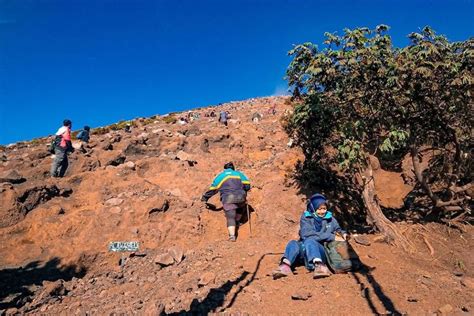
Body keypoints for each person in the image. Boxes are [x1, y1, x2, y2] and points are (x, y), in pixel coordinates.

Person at [272, 194, 348, 279]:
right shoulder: (306, 217)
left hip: (321, 251)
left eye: (324, 209)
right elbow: (306, 234)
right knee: (293, 243)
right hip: (305, 249)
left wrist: (343, 234)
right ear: (313, 208)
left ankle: (320, 266)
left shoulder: (330, 218)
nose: (322, 211)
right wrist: (331, 236)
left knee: (310, 241)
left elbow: (338, 229)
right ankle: (285, 266)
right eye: (319, 209)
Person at [201, 162, 251, 242]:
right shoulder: (239, 174)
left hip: (228, 198)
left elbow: (213, 190)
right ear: (233, 168)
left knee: (230, 217)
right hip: (241, 197)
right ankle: (237, 221)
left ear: (224, 169)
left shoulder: (220, 176)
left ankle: (232, 236)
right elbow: (248, 186)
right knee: (241, 206)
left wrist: (204, 198)